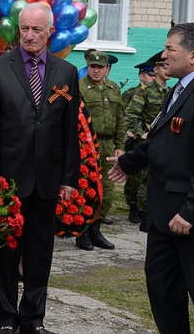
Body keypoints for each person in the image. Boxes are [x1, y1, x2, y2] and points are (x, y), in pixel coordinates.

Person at [108, 22, 194, 334]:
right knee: (163, 291)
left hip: (192, 222)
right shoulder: (178, 89)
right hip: (163, 217)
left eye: (170, 49)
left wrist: (191, 212)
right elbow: (161, 140)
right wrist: (129, 162)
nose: (163, 55)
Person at [0, 2, 79, 334]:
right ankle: (5, 316)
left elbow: (68, 131)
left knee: (40, 253)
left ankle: (33, 317)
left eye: (37, 29)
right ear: (17, 29)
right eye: (24, 28)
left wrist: (69, 177)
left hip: (47, 179)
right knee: (6, 251)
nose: (30, 35)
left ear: (51, 32)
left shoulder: (66, 73)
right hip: (8, 178)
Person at [76, 51, 123, 250]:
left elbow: (121, 119)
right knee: (87, 190)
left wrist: (120, 146)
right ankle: (83, 233)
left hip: (108, 145)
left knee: (108, 190)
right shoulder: (79, 87)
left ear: (107, 69)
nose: (96, 70)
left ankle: (96, 229)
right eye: (92, 66)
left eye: (100, 67)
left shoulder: (113, 88)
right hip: (86, 146)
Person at [124, 51, 170, 232]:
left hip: (164, 143)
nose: (167, 70)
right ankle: (143, 213)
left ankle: (151, 211)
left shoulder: (170, 92)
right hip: (147, 143)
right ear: (156, 69)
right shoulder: (145, 93)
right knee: (142, 179)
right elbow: (130, 115)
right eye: (163, 67)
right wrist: (141, 133)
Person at [121, 59, 157, 223]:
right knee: (135, 176)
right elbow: (124, 115)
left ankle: (145, 207)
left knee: (148, 176)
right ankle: (133, 206)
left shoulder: (159, 92)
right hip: (136, 140)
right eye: (150, 75)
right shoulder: (131, 93)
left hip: (152, 139)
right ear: (142, 76)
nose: (153, 78)